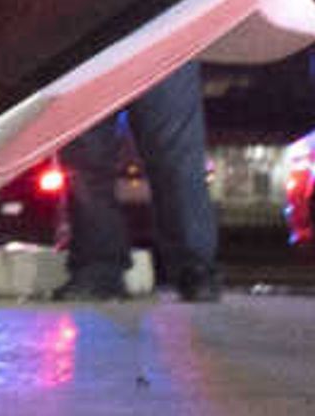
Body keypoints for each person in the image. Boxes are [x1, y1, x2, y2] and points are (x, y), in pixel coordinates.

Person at [56, 59, 222, 303]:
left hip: (145, 38)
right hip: (131, 37)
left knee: (90, 162)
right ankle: (193, 268)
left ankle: (192, 268)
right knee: (87, 160)